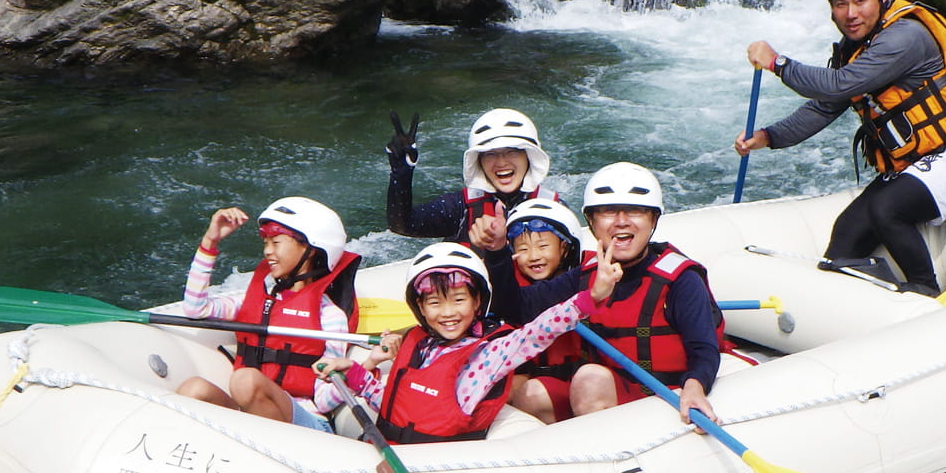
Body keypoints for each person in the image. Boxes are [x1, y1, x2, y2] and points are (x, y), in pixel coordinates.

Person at [733, 0, 946, 295]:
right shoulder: (856, 47)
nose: (850, 14)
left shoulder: (905, 37)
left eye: (860, 1)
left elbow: (840, 84)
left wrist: (778, 64)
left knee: (886, 208)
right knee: (844, 241)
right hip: (918, 163)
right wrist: (767, 136)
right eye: (840, 4)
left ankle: (925, 290)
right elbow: (824, 107)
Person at [489, 162, 742, 426]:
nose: (621, 221)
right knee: (531, 396)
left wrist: (695, 385)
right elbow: (517, 308)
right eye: (608, 212)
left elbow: (703, 348)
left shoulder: (681, 279)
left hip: (663, 394)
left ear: (653, 220)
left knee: (590, 380)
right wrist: (497, 255)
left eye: (635, 211)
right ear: (592, 222)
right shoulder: (584, 274)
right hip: (608, 390)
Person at [315, 241, 622, 443]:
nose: (447, 313)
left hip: (448, 466)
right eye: (434, 303)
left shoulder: (488, 355)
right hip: (395, 448)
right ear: (420, 309)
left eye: (458, 300)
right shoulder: (420, 345)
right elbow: (399, 405)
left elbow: (537, 332)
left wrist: (591, 297)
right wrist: (355, 374)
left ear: (478, 302)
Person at [176, 197, 360, 430]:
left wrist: (355, 374)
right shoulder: (253, 299)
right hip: (250, 413)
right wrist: (210, 241)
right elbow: (195, 308)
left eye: (276, 242)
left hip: (308, 424)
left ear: (310, 248)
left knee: (246, 380)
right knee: (194, 389)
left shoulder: (329, 316)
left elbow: (324, 400)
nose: (267, 252)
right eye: (266, 243)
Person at [385, 108, 563, 246]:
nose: (501, 162)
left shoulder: (553, 207)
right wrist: (401, 172)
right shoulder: (459, 206)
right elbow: (403, 225)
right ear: (479, 161)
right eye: (490, 154)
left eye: (512, 152)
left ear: (529, 157)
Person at [501, 198, 588, 423]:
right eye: (523, 249)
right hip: (529, 377)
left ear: (565, 247)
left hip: (577, 382)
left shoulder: (588, 277)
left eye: (543, 246)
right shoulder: (504, 288)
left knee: (531, 394)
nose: (533, 256)